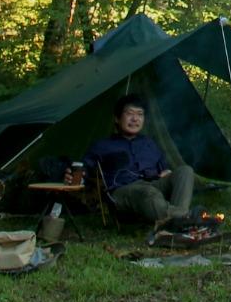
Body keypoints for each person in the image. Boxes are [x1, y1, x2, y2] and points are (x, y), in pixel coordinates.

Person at [84, 95, 196, 230]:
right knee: (148, 192)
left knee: (185, 171)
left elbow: (164, 169)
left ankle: (177, 220)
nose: (135, 119)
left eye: (140, 114)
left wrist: (166, 172)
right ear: (117, 118)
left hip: (153, 185)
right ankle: (187, 218)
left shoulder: (150, 144)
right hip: (122, 191)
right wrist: (73, 174)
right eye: (130, 113)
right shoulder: (103, 146)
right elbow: (84, 169)